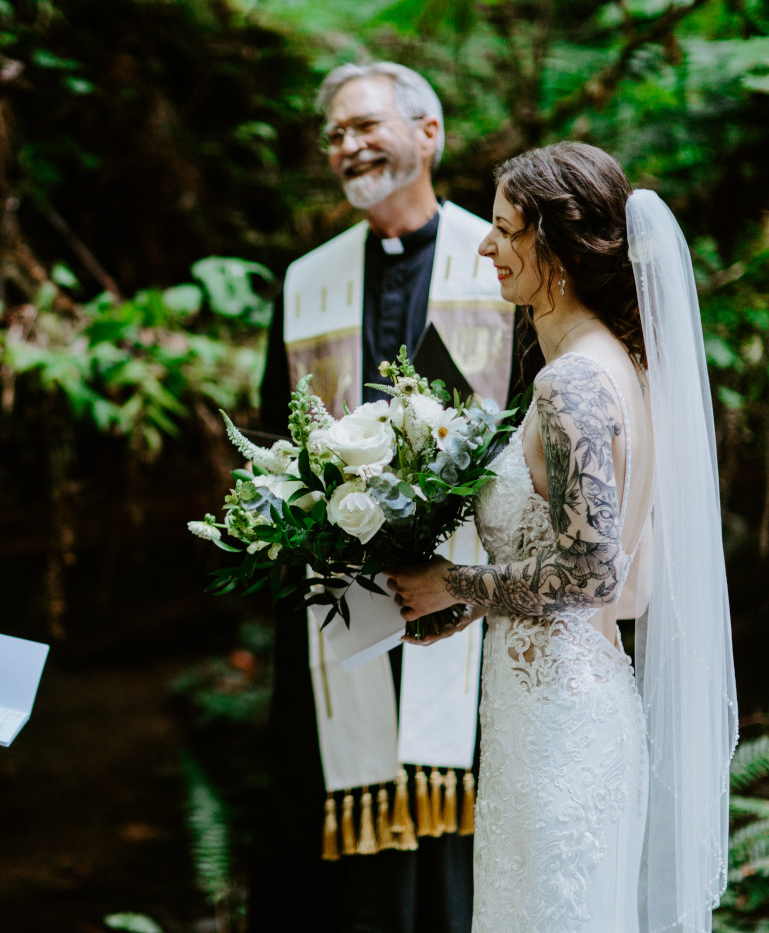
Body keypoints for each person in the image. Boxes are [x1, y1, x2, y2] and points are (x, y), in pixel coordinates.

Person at [386, 142, 737, 932]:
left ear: (559, 249)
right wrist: (480, 606)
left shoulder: (574, 382)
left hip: (559, 734)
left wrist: (456, 582)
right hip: (556, 710)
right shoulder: (624, 367)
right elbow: (628, 583)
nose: (484, 244)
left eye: (505, 230)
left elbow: (590, 576)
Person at [251, 62, 538, 933]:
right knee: (333, 792)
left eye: (366, 125)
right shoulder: (305, 280)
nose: (348, 145)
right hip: (337, 591)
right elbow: (273, 432)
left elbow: (531, 419)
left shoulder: (495, 261)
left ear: (428, 134)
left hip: (467, 586)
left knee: (461, 792)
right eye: (336, 133)